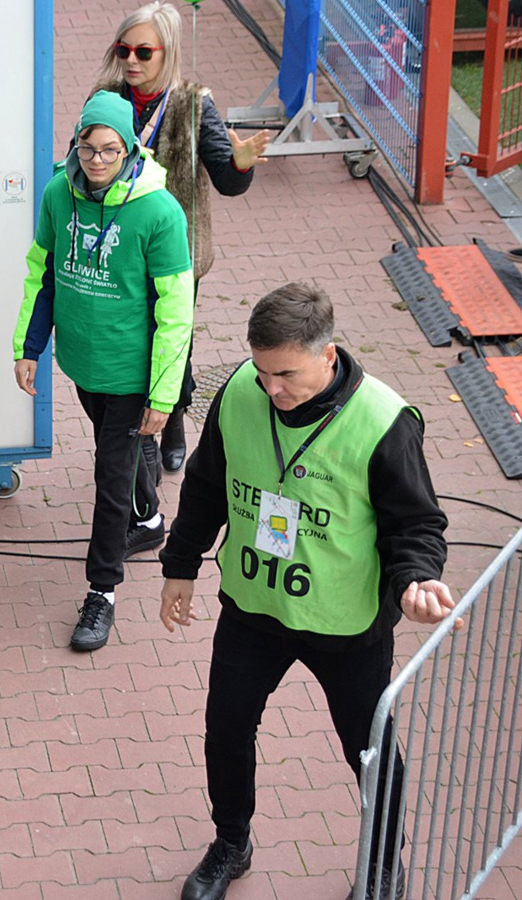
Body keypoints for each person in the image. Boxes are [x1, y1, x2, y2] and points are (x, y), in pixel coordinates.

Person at [157, 283, 456, 900]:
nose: (271, 388)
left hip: (345, 624)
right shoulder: (240, 392)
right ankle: (231, 843)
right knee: (226, 729)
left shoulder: (383, 422)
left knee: (369, 751)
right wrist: (179, 565)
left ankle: (382, 862)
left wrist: (414, 579)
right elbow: (207, 485)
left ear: (327, 355)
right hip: (254, 606)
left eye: (286, 374)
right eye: (262, 371)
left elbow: (416, 524)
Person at [12, 89, 194, 652]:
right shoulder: (56, 194)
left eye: (110, 150)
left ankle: (102, 592)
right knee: (122, 451)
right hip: (84, 364)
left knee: (109, 475)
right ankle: (149, 520)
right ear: (76, 144)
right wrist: (29, 347)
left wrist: (162, 395)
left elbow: (176, 312)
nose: (97, 160)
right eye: (88, 148)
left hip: (133, 372)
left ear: (130, 149)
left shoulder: (159, 212)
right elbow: (42, 274)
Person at [89, 2, 270, 471]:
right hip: (116, 248)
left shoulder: (193, 103)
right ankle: (129, 426)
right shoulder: (106, 97)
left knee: (171, 339)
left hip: (176, 253)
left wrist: (241, 164)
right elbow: (81, 158)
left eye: (143, 52)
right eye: (123, 50)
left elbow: (227, 181)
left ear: (167, 53)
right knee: (127, 337)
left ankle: (171, 420)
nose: (131, 61)